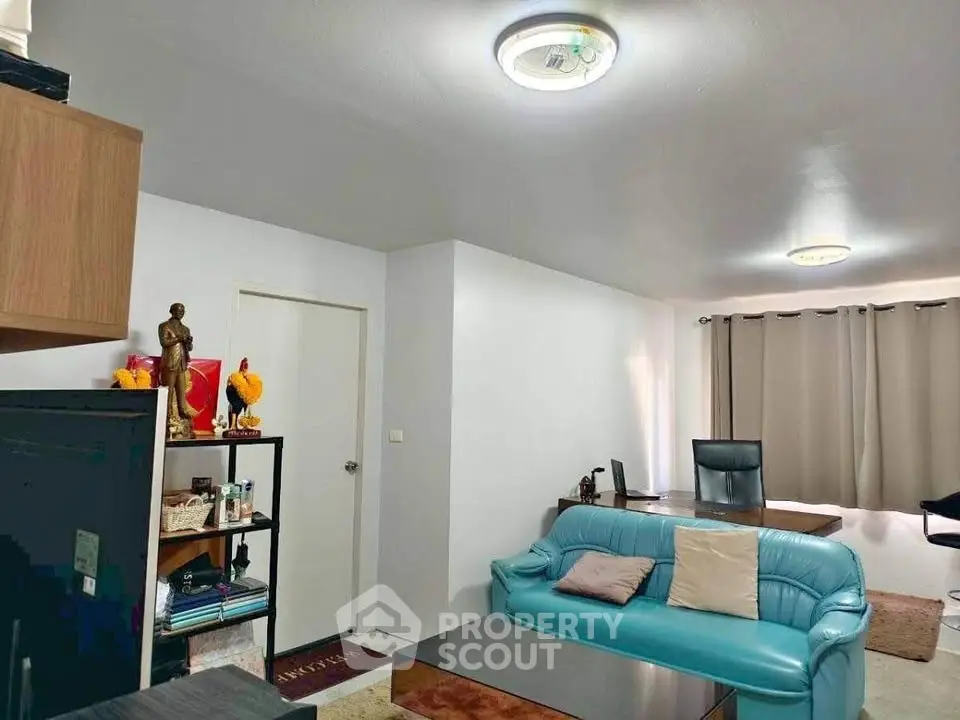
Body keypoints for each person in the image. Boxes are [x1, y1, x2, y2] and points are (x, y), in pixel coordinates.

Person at [158, 303, 197, 431]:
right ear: (172, 311)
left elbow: (189, 348)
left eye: (183, 310)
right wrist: (179, 338)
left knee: (181, 391)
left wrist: (189, 343)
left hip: (182, 363)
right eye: (178, 310)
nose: (181, 312)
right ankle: (167, 416)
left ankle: (182, 413)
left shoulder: (186, 329)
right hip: (169, 363)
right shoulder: (164, 326)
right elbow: (164, 342)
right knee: (168, 392)